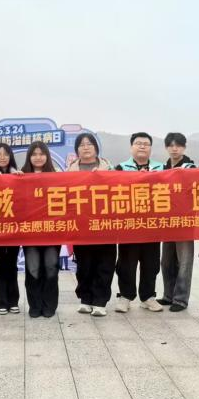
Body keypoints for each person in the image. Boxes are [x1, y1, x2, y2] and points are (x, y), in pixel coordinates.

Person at [114, 132, 164, 313]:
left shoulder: (161, 167)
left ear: (151, 148)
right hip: (129, 225)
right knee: (126, 263)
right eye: (138, 143)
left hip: (152, 224)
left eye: (146, 144)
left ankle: (148, 296)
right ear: (131, 147)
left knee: (151, 263)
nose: (142, 146)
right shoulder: (120, 168)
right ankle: (125, 296)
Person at [67, 133, 116, 316]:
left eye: (89, 144)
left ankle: (100, 301)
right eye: (81, 144)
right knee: (84, 265)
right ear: (77, 150)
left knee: (105, 264)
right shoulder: (69, 172)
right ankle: (85, 299)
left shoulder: (109, 169)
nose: (86, 147)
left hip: (105, 226)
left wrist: (103, 178)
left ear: (96, 147)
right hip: (81, 226)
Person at [21, 141, 60, 318]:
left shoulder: (57, 176)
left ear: (47, 156)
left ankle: (49, 304)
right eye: (34, 154)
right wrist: (15, 179)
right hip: (30, 232)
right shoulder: (21, 176)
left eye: (41, 153)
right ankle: (35, 305)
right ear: (29, 157)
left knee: (51, 267)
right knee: (33, 269)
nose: (38, 157)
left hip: (52, 231)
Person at [158, 133, 196, 312]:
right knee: (166, 261)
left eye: (178, 145)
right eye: (171, 145)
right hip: (167, 222)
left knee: (184, 262)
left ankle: (181, 299)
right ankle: (168, 295)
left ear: (184, 147)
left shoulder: (191, 167)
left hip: (185, 222)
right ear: (166, 147)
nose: (174, 149)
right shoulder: (162, 168)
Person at [0, 143, 22, 315]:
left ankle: (13, 300)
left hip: (15, 227)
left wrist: (20, 179)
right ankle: (1, 301)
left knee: (12, 264)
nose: (2, 157)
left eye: (6, 154)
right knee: (1, 263)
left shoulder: (18, 176)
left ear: (10, 157)